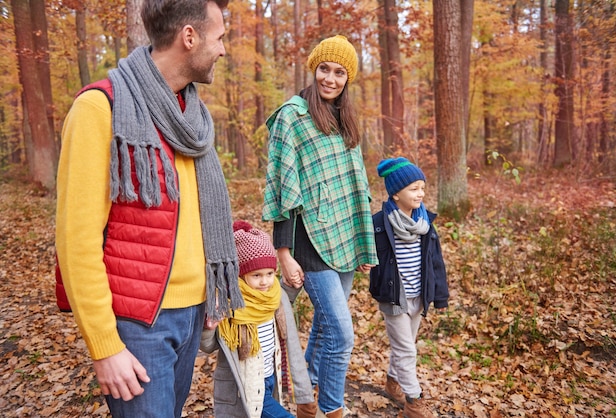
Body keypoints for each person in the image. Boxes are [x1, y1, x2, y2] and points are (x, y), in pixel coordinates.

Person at [55, 1, 244, 417]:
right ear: (188, 37)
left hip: (192, 315)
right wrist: (105, 347)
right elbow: (76, 240)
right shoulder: (99, 108)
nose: (223, 49)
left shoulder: (191, 116)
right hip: (138, 325)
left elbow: (193, 217)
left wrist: (208, 297)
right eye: (220, 37)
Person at [262, 35, 378, 418]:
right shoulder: (292, 118)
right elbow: (281, 189)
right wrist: (283, 254)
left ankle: (306, 389)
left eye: (340, 72)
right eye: (324, 69)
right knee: (342, 335)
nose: (330, 78)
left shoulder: (346, 120)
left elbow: (354, 184)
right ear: (314, 69)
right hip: (308, 242)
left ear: (349, 78)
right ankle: (332, 407)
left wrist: (364, 245)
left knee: (328, 328)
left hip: (345, 238)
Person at [200, 221, 318, 418]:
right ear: (241, 274)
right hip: (245, 385)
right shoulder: (231, 304)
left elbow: (286, 300)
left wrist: (293, 283)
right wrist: (209, 327)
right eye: (256, 275)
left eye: (270, 274)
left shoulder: (274, 296)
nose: (265, 281)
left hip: (271, 376)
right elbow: (209, 346)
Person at [369, 157, 449, 418]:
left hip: (418, 295)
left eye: (422, 188)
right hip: (394, 297)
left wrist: (439, 296)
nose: (420, 193)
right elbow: (367, 252)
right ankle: (414, 403)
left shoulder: (425, 224)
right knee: (406, 349)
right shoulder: (379, 223)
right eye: (414, 188)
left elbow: (435, 262)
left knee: (406, 345)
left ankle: (393, 381)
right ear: (395, 193)